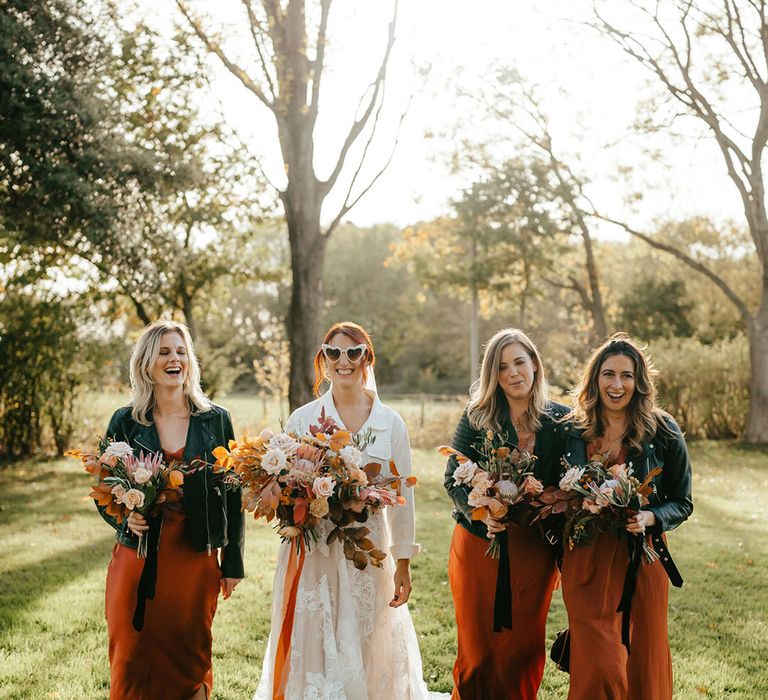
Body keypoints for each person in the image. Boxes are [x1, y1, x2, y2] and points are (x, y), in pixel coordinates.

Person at [254, 321, 432, 700]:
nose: (343, 360)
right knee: (317, 641)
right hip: (317, 550)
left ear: (367, 358)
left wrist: (403, 561)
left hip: (368, 550)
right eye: (333, 352)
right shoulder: (304, 419)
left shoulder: (390, 424)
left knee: (368, 640)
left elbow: (403, 496)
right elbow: (287, 493)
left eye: (354, 352)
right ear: (323, 359)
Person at [99, 320, 245, 700]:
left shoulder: (216, 419)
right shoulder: (125, 422)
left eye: (180, 351)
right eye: (164, 352)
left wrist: (232, 563)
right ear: (147, 362)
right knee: (132, 660)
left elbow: (232, 495)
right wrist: (123, 514)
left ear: (190, 362)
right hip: (137, 557)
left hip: (194, 559)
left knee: (189, 660)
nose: (173, 359)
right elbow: (104, 488)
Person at [560, 332, 693, 700]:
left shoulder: (663, 429)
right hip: (586, 559)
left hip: (642, 558)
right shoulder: (572, 429)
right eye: (608, 374)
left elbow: (682, 501)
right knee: (598, 661)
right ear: (595, 378)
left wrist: (651, 517)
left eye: (627, 375)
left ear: (639, 382)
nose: (617, 385)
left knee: (642, 660)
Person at [444, 328, 569, 700]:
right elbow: (453, 478)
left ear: (534, 364)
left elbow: (568, 483)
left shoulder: (563, 421)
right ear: (492, 375)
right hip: (479, 543)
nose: (513, 373)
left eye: (519, 362)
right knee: (478, 651)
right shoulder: (477, 416)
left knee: (522, 649)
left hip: (534, 549)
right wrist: (483, 511)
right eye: (502, 367)